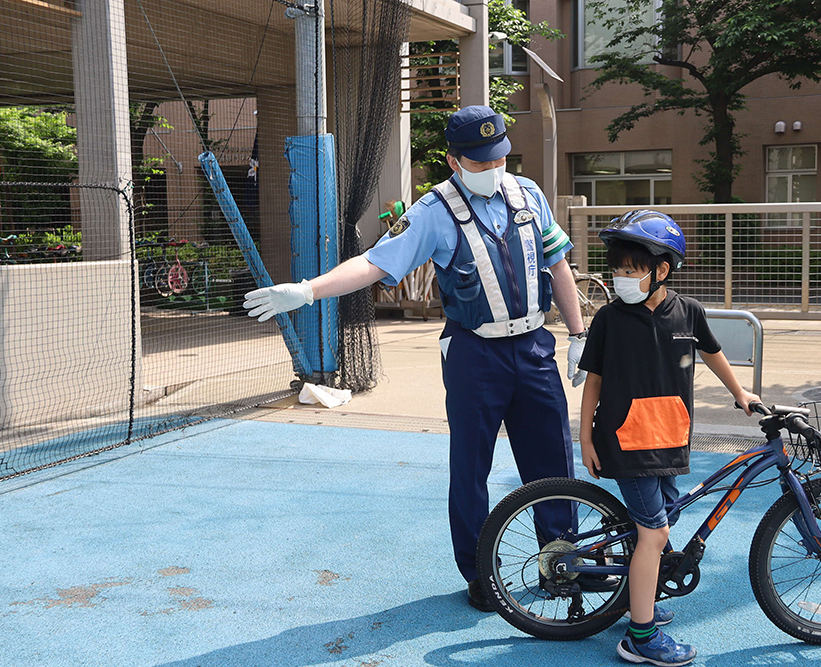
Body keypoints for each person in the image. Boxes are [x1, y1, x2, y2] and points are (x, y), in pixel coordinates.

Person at [243, 105, 607, 611]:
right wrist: (307, 290)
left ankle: (559, 559)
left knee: (551, 460)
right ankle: (482, 571)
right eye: (479, 162)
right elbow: (373, 264)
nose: (492, 169)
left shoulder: (529, 194)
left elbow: (557, 263)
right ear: (455, 162)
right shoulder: (433, 212)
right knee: (471, 466)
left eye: (498, 157)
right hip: (475, 352)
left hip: (533, 346)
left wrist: (578, 333)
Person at [577, 209, 760, 666]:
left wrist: (740, 394)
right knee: (655, 534)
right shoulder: (609, 319)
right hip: (625, 440)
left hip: (670, 439)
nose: (620, 278)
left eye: (631, 270)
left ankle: (637, 599)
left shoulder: (689, 312)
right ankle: (640, 636)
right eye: (617, 269)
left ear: (661, 270)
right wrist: (584, 438)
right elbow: (593, 381)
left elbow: (714, 354)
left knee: (660, 526)